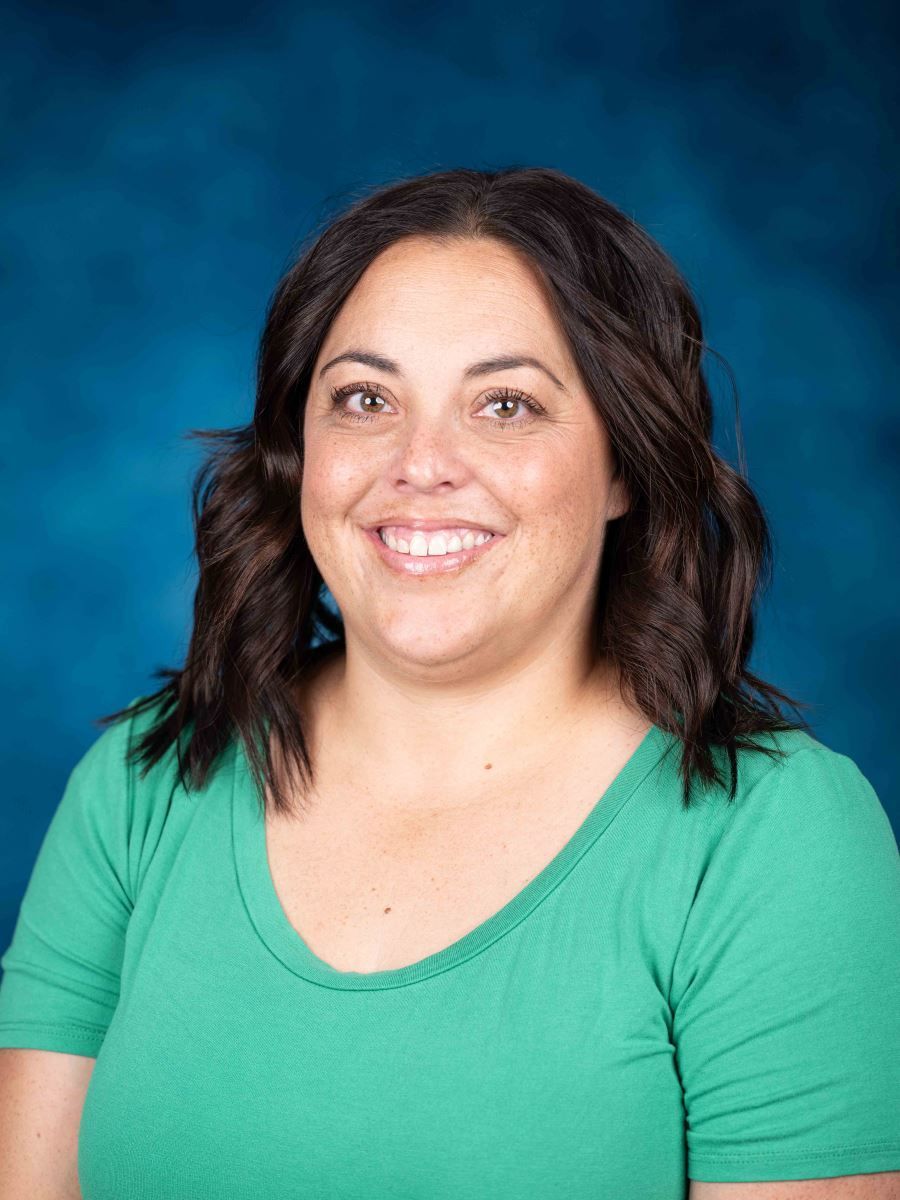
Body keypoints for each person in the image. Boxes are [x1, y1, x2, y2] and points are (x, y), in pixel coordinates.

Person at [1, 166, 898, 1200]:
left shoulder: (771, 838)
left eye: (506, 404)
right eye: (365, 399)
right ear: (303, 451)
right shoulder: (142, 783)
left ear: (623, 466)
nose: (420, 463)